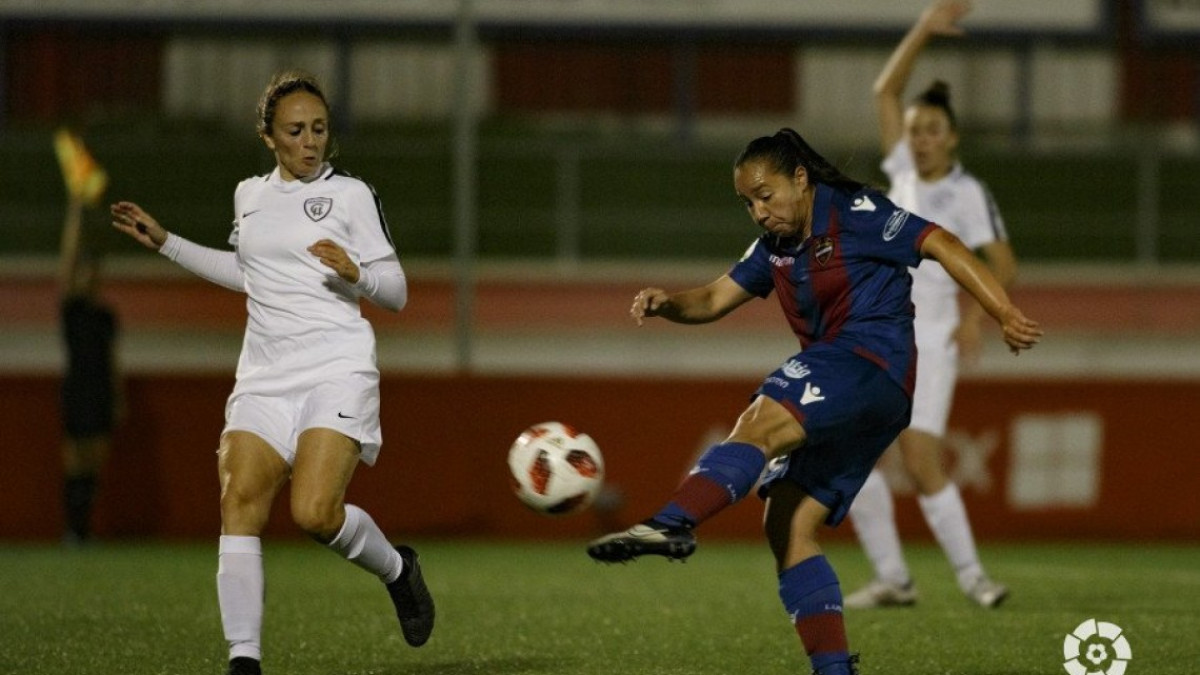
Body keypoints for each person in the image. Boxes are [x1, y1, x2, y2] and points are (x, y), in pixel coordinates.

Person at [586, 127, 1040, 675]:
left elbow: (941, 243)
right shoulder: (773, 245)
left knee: (759, 421)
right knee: (788, 524)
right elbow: (711, 298)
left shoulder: (857, 211)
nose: (758, 211)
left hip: (868, 361)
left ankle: (671, 521)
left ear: (799, 179)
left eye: (766, 194)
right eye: (747, 202)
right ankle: (833, 670)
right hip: (875, 391)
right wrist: (667, 304)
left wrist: (1002, 311)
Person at [110, 70, 434, 675]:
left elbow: (397, 292)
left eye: (319, 129)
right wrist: (167, 243)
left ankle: (398, 569)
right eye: (295, 131)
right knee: (239, 501)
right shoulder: (249, 195)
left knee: (314, 514)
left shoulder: (351, 196)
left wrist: (356, 274)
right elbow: (250, 273)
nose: (310, 142)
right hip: (264, 374)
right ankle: (245, 660)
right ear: (269, 138)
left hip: (336, 367)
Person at [844, 0, 1016, 611]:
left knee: (920, 460)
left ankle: (974, 578)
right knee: (849, 457)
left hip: (933, 337)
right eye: (914, 129)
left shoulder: (967, 193)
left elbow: (1003, 263)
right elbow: (885, 89)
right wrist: (922, 27)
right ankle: (894, 577)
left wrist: (976, 317)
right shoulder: (905, 181)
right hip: (880, 335)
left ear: (953, 137)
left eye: (931, 130)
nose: (919, 139)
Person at [56, 129, 118, 545]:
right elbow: (67, 259)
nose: (88, 276)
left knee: (95, 461)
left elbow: (112, 359)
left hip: (99, 389)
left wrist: (119, 394)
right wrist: (77, 207)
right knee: (74, 459)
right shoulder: (71, 310)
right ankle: (72, 530)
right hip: (77, 387)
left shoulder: (106, 316)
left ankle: (84, 529)